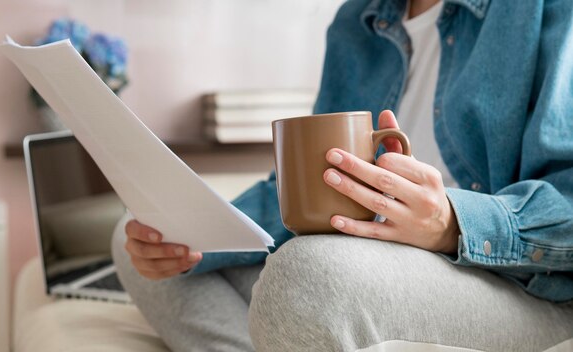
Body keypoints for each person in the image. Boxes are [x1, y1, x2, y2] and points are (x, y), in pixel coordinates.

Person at [112, 0, 573, 351]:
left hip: (519, 285)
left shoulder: (544, 11)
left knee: (308, 275)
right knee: (142, 236)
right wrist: (204, 232)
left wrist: (451, 223)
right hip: (361, 262)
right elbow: (315, 185)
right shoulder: (357, 20)